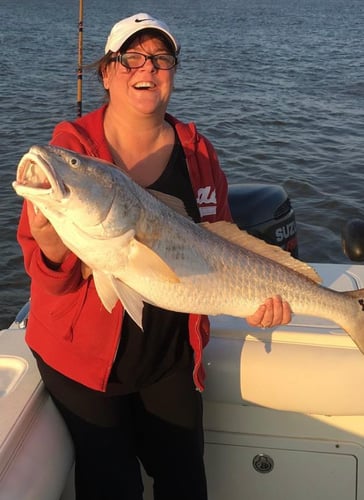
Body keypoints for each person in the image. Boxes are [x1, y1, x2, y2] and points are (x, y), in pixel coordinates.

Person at [17, 13, 291, 500]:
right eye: (131, 58)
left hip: (171, 355)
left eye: (161, 59)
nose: (147, 68)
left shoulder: (197, 150)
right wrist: (53, 243)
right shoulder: (70, 152)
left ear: (173, 72)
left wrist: (260, 301)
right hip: (84, 360)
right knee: (111, 485)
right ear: (106, 72)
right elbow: (46, 274)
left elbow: (223, 241)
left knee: (185, 482)